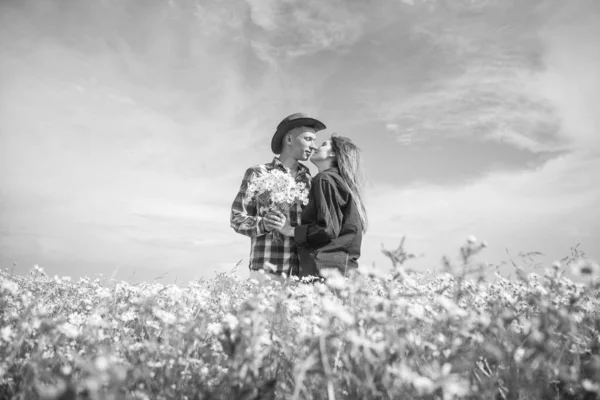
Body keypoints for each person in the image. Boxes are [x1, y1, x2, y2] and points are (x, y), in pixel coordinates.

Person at [230, 113, 326, 283]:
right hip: (267, 270)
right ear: (289, 139)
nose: (314, 146)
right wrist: (263, 224)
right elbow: (237, 218)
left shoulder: (309, 179)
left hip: (301, 274)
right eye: (309, 139)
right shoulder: (258, 173)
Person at [277, 134, 368, 278]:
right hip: (340, 270)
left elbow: (328, 228)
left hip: (324, 270)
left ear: (333, 153)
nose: (315, 146)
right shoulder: (337, 181)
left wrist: (290, 230)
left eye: (323, 144)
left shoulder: (324, 179)